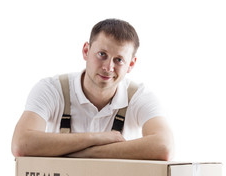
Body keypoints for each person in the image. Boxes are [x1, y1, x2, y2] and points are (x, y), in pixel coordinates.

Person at [11, 18, 174, 160]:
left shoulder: (139, 96)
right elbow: (21, 143)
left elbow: (165, 146)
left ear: (131, 64)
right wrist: (97, 137)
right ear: (86, 51)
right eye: (102, 54)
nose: (108, 67)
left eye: (118, 60)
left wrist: (84, 153)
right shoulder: (52, 89)